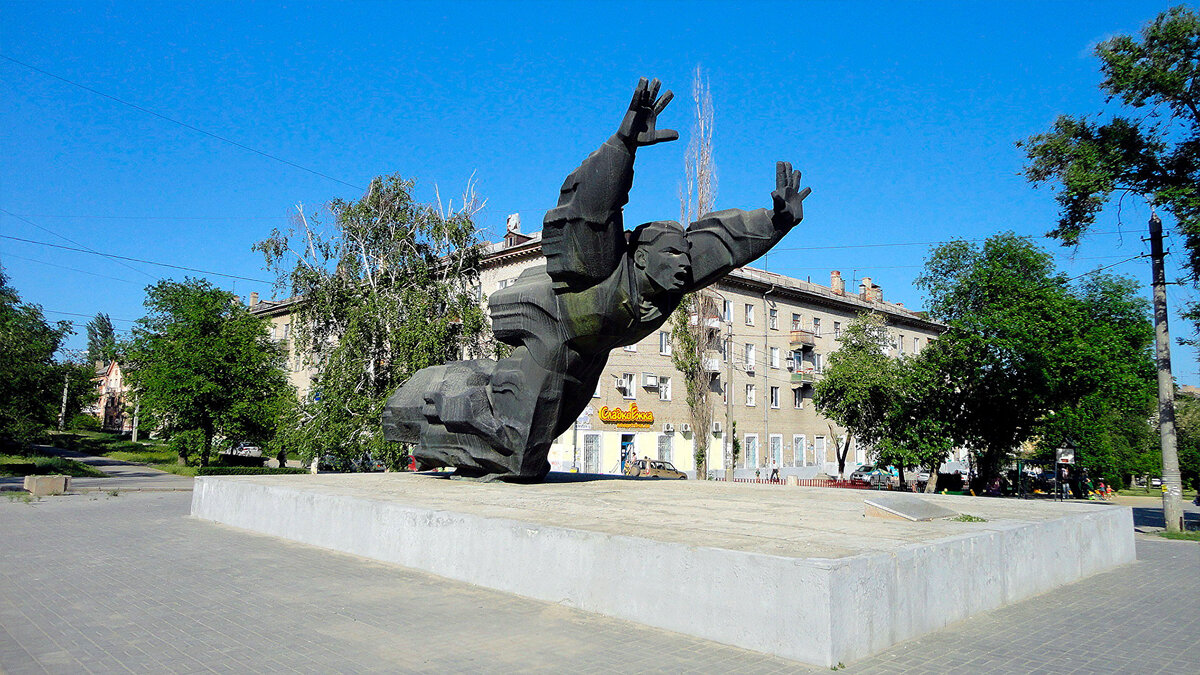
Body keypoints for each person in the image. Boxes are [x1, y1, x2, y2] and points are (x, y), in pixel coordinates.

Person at [383, 78, 810, 481]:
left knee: (526, 450)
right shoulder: (602, 262)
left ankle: (455, 424)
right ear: (640, 258)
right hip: (550, 328)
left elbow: (722, 241)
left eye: (684, 255)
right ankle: (434, 405)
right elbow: (592, 205)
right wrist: (623, 144)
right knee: (518, 449)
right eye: (671, 256)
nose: (684, 264)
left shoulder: (672, 279)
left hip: (588, 352)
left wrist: (777, 221)